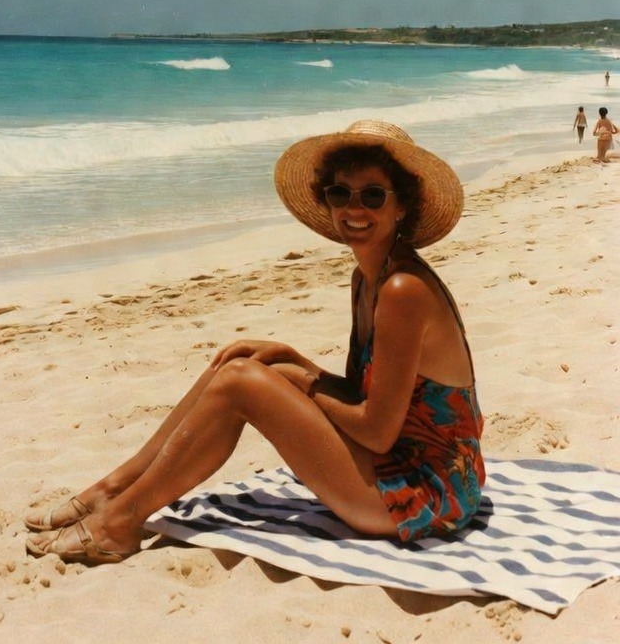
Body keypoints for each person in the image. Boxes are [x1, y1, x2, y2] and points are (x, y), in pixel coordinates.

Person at [25, 120, 485, 565]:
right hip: (398, 468)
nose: (354, 208)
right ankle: (110, 490)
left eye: (372, 195)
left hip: (425, 493)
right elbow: (369, 397)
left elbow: (377, 431)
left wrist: (300, 380)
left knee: (242, 382)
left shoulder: (403, 290)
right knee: (245, 363)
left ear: (401, 206)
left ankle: (119, 523)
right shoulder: (368, 279)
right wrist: (294, 360)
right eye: (340, 193)